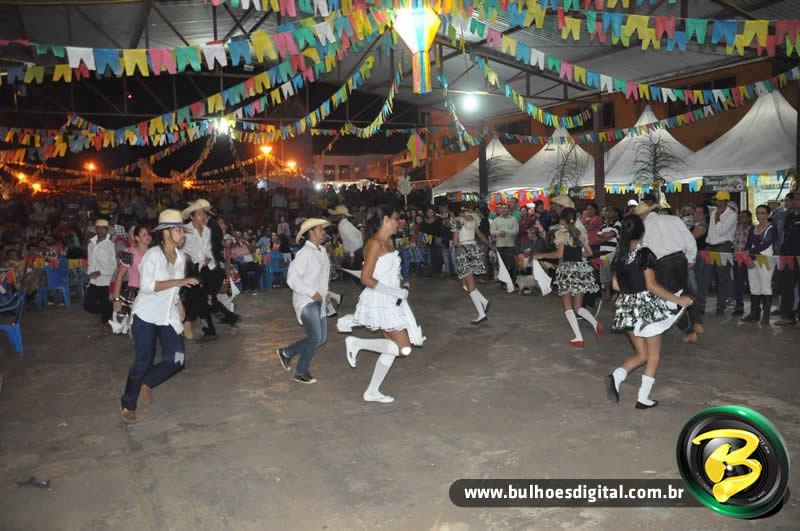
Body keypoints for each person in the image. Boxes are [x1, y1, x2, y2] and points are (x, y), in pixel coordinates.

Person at [606, 215, 694, 409]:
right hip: (647, 309)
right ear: (642, 232)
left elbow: (615, 286)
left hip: (627, 309)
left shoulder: (618, 257)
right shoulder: (644, 254)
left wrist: (631, 288)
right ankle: (643, 398)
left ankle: (616, 376)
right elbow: (651, 286)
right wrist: (678, 300)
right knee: (653, 356)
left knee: (642, 354)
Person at [339, 205, 425, 404]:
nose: (399, 222)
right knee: (403, 348)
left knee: (391, 349)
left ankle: (372, 391)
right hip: (380, 300)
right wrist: (394, 291)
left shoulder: (389, 242)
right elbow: (366, 278)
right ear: (386, 220)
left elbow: (390, 273)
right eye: (396, 219)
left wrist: (402, 284)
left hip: (393, 300)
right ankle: (357, 343)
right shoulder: (374, 243)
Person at [119, 209, 198, 424]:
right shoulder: (153, 255)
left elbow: (174, 289)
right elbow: (147, 286)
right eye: (179, 230)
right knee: (143, 360)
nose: (183, 234)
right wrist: (180, 282)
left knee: (178, 359)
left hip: (167, 314)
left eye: (182, 230)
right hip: (145, 315)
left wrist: (179, 304)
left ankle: (147, 382)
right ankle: (128, 405)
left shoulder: (180, 258)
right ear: (166, 232)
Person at [534, 208, 600, 348]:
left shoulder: (561, 233)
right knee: (578, 306)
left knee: (568, 307)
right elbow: (589, 253)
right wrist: (577, 255)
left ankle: (578, 337)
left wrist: (541, 255)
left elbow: (559, 254)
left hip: (567, 271)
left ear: (562, 219)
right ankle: (596, 324)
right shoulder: (580, 232)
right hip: (581, 270)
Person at [276, 218, 332, 384]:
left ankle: (286, 352)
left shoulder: (322, 251)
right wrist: (312, 293)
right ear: (312, 232)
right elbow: (292, 278)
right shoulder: (305, 253)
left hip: (318, 300)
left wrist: (326, 292)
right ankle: (301, 372)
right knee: (315, 337)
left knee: (321, 339)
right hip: (306, 301)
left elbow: (322, 277)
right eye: (321, 229)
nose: (324, 232)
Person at [636, 203, 699, 343]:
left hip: (662, 264)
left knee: (670, 298)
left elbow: (644, 249)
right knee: (684, 291)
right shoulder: (673, 219)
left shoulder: (643, 227)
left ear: (641, 216)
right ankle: (696, 323)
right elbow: (690, 239)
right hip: (680, 258)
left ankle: (689, 330)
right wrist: (690, 258)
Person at [181, 199, 218, 340]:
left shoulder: (207, 230)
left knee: (201, 298)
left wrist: (208, 258)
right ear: (192, 217)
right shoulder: (186, 230)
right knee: (197, 297)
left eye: (204, 214)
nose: (203, 217)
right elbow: (180, 249)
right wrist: (188, 258)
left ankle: (204, 328)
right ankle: (188, 323)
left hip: (204, 267)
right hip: (189, 267)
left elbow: (207, 249)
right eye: (199, 214)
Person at [451, 205, 492, 325]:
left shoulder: (458, 221)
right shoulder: (474, 219)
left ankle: (481, 314)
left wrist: (460, 247)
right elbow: (480, 235)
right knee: (464, 284)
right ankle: (484, 301)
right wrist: (490, 245)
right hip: (474, 250)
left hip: (463, 252)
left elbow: (455, 242)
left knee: (469, 284)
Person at [109, 225, 151, 334]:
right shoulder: (130, 253)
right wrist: (116, 299)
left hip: (150, 292)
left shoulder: (154, 253)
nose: (148, 236)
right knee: (136, 327)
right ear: (137, 238)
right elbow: (119, 276)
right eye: (144, 234)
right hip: (133, 292)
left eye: (149, 234)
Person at [742, 205, 777, 324]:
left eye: (762, 213)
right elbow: (747, 244)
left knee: (765, 287)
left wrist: (749, 252)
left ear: (768, 214)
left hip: (766, 260)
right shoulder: (753, 228)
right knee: (754, 286)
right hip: (752, 259)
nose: (759, 215)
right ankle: (754, 314)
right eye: (757, 213)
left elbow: (766, 244)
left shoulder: (771, 228)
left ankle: (766, 316)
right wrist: (747, 256)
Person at [704, 191, 737, 316]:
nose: (717, 202)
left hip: (724, 247)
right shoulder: (714, 212)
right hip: (711, 247)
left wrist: (718, 218)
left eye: (720, 200)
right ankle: (701, 305)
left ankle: (721, 306)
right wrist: (708, 243)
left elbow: (721, 231)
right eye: (716, 200)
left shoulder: (732, 215)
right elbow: (711, 231)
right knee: (707, 277)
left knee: (722, 279)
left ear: (726, 201)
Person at [84, 219, 116, 328]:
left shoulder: (111, 245)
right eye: (98, 228)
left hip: (106, 281)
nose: (101, 230)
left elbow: (114, 266)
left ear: (107, 230)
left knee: (106, 306)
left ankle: (105, 322)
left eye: (103, 228)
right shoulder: (91, 244)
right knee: (88, 306)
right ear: (95, 229)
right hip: (93, 281)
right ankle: (106, 314)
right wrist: (88, 275)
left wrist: (100, 272)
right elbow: (90, 263)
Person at [776, 192, 800, 326]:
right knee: (786, 287)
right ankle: (787, 316)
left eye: (797, 199)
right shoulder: (790, 216)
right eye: (793, 199)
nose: (794, 202)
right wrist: (783, 253)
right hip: (788, 257)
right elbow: (785, 236)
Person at [490, 202, 520, 285]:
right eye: (502, 208)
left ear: (509, 210)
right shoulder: (496, 220)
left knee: (512, 264)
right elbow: (492, 231)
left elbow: (516, 231)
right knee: (501, 264)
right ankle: (503, 282)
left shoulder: (513, 219)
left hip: (510, 245)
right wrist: (499, 233)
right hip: (500, 245)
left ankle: (511, 281)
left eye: (506, 208)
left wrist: (505, 232)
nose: (503, 210)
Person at [329, 205, 364, 271]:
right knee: (335, 254)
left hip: (352, 253)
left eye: (336, 215)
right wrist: (336, 237)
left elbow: (354, 242)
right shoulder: (345, 223)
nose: (335, 216)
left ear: (341, 215)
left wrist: (352, 255)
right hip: (353, 250)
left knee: (333, 257)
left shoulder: (343, 226)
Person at [732, 209, 753, 316]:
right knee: (738, 284)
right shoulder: (737, 228)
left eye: (744, 216)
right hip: (737, 259)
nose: (741, 218)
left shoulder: (753, 229)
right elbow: (734, 243)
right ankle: (739, 307)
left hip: (748, 259)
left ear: (749, 218)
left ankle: (754, 309)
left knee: (752, 284)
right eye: (740, 216)